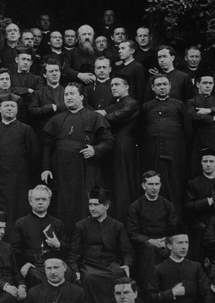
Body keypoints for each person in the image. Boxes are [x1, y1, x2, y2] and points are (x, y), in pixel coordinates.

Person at [41, 83, 114, 231]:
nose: (68, 97)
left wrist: (95, 150)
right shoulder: (56, 119)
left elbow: (109, 141)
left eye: (72, 94)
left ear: (81, 97)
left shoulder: (94, 117)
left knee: (83, 205)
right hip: (60, 171)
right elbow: (47, 146)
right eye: (66, 94)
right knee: (61, 206)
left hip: (85, 170)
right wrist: (46, 168)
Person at [68, 187, 134, 303]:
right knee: (88, 278)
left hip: (111, 265)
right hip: (89, 265)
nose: (92, 208)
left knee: (119, 275)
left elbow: (127, 251)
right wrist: (75, 270)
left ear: (106, 206)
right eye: (90, 204)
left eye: (96, 204)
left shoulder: (117, 226)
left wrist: (127, 265)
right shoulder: (81, 226)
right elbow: (74, 253)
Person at [0, 94, 40, 227]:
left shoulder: (26, 130)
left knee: (17, 216)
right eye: (6, 106)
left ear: (17, 109)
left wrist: (32, 185)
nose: (9, 108)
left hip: (18, 185)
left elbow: (35, 159)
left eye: (13, 106)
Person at [139, 74, 192, 218]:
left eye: (164, 84)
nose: (162, 87)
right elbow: (141, 132)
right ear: (153, 88)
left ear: (169, 86)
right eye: (158, 85)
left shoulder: (179, 105)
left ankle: (176, 220)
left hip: (175, 153)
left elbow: (188, 131)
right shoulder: (146, 107)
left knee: (175, 186)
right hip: (152, 154)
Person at [126, 171, 179, 292]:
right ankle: (150, 293)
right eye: (150, 184)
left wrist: (165, 241)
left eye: (157, 184)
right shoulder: (135, 206)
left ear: (160, 185)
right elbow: (132, 232)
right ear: (143, 186)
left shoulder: (168, 205)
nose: (154, 188)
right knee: (150, 251)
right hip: (144, 245)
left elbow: (174, 228)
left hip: (165, 242)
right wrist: (150, 241)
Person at [10, 185, 69, 288]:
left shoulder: (57, 223)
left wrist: (59, 245)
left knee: (68, 274)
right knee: (35, 277)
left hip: (53, 263)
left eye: (44, 199)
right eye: (37, 199)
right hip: (33, 265)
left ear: (49, 201)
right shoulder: (20, 223)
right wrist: (25, 263)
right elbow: (14, 248)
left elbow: (68, 247)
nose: (40, 202)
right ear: (30, 201)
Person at [184, 147, 215, 262]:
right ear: (201, 163)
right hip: (202, 223)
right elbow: (188, 206)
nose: (208, 164)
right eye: (205, 161)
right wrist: (207, 201)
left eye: (211, 161)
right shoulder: (193, 183)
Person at [101, 76, 140, 222]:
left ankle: (125, 218)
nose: (114, 88)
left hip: (124, 146)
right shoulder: (115, 104)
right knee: (115, 181)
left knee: (123, 181)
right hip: (114, 146)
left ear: (127, 87)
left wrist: (103, 115)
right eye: (111, 85)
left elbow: (116, 116)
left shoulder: (131, 103)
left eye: (117, 84)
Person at [28, 58, 66, 131]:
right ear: (44, 74)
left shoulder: (66, 91)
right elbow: (32, 111)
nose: (55, 73)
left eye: (57, 71)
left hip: (64, 131)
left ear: (60, 73)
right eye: (51, 71)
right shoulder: (38, 93)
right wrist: (49, 108)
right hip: (45, 132)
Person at [10, 49, 44, 120]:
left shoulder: (38, 79)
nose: (25, 62)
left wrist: (17, 92)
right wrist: (27, 90)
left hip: (31, 116)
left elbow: (38, 96)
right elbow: (8, 91)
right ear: (16, 60)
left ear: (31, 62)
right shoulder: (10, 78)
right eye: (23, 59)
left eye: (28, 60)